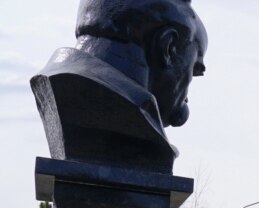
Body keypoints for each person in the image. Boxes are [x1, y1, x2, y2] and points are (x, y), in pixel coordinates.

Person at [31, 0, 207, 173]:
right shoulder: (130, 120)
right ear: (168, 47)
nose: (186, 99)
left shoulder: (60, 86)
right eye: (193, 70)